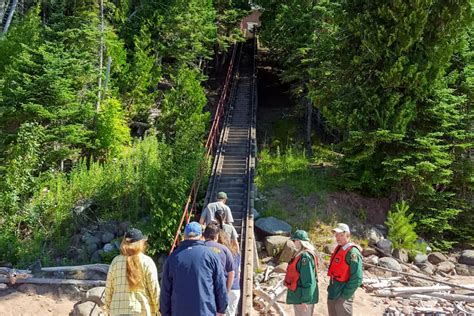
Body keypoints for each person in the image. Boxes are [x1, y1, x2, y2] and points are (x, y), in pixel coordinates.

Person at [160, 221, 228, 316]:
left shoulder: (172, 258)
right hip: (205, 311)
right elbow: (220, 285)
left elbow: (165, 291)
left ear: (184, 236)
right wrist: (221, 309)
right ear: (201, 236)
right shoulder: (211, 256)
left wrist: (165, 313)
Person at [104, 228, 160, 316]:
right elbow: (154, 290)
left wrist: (106, 309)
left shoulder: (115, 261)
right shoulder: (147, 262)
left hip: (117, 312)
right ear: (141, 243)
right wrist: (160, 310)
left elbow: (108, 289)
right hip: (140, 311)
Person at [327, 223, 363, 316]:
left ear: (348, 235)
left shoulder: (353, 252)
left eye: (341, 235)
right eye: (336, 235)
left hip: (343, 293)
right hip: (333, 290)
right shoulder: (339, 248)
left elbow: (357, 278)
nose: (337, 237)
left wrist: (345, 296)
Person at [284, 230, 319, 316]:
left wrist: (305, 300)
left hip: (302, 298)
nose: (293, 243)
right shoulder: (301, 254)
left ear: (299, 241)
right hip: (299, 296)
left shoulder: (305, 257)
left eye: (294, 240)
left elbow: (308, 280)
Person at [204, 223, 235, 293]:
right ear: (217, 236)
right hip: (219, 289)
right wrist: (226, 291)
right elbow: (231, 272)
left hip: (202, 289)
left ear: (204, 235)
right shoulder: (224, 249)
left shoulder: (198, 248)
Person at [217, 231, 241, 316]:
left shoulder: (219, 253)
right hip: (235, 289)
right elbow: (238, 273)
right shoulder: (236, 254)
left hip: (224, 289)